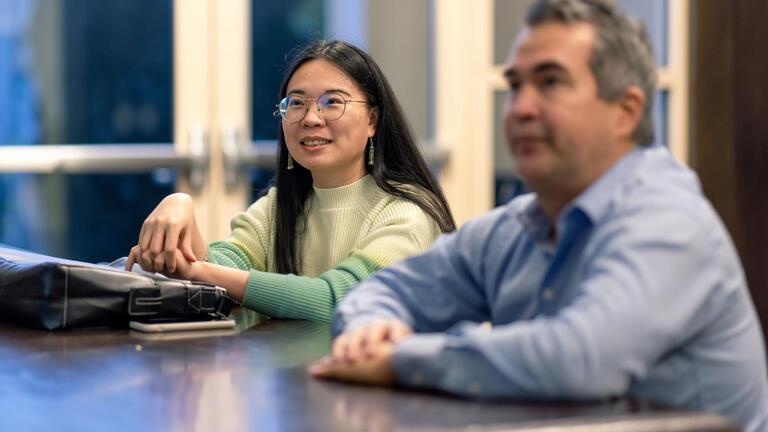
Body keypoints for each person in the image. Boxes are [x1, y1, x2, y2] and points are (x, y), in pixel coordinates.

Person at [309, 1, 768, 430]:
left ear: (626, 111)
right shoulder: (517, 226)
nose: (519, 109)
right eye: (515, 86)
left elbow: (579, 359)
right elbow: (381, 291)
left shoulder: (669, 221)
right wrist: (369, 333)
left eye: (550, 82)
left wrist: (399, 358)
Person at [125, 40, 455, 323]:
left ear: (372, 120)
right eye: (296, 103)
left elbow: (337, 300)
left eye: (332, 102)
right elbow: (226, 266)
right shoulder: (278, 206)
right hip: (294, 385)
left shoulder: (408, 215)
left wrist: (196, 273)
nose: (311, 118)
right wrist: (179, 209)